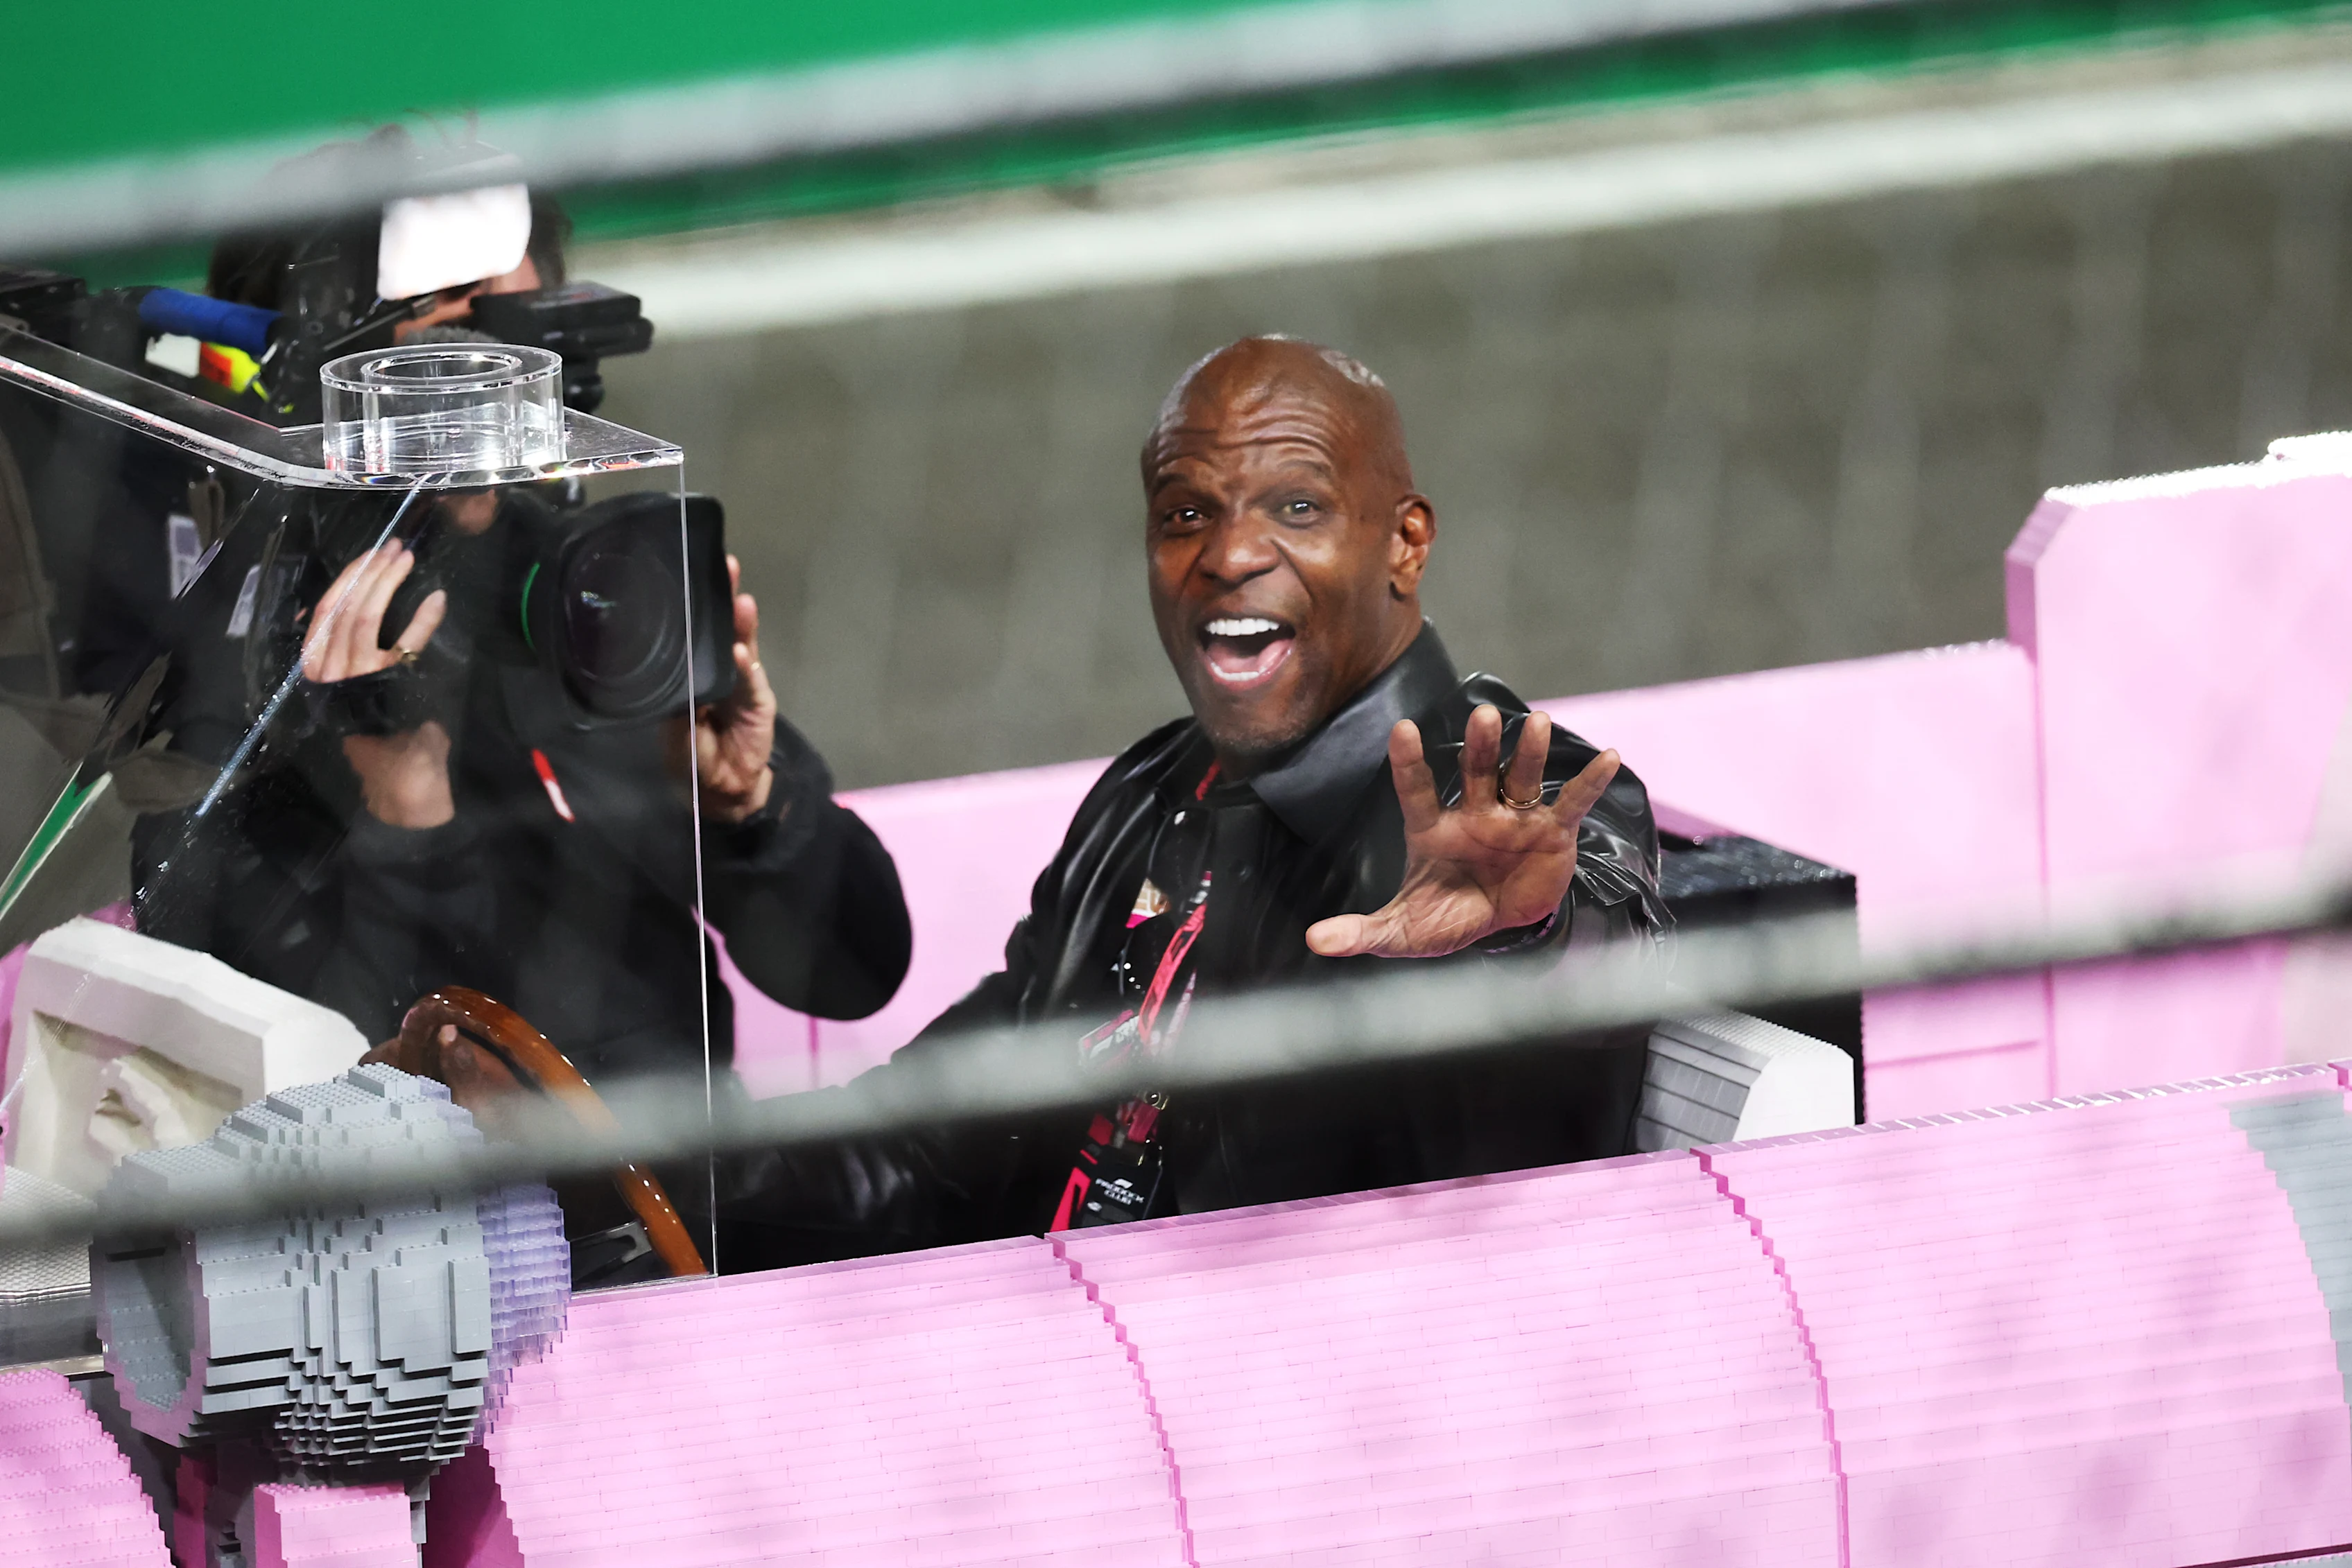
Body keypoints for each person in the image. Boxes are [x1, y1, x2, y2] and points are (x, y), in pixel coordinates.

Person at [720, 335, 1667, 1269]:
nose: (1228, 554)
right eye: (1184, 515)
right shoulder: (1144, 795)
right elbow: (935, 1138)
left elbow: (1592, 949)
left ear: (1405, 542)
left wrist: (1515, 939)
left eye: (1297, 507)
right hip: (1038, 1359)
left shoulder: (1514, 797)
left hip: (1311, 1390)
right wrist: (653, 1166)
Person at [118, 152, 911, 1097]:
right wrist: (408, 815)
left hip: (684, 1190)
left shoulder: (598, 593)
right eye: (446, 323)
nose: (492, 381)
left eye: (521, 329)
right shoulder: (245, 691)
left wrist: (752, 809)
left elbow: (854, 971)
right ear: (321, 378)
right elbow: (330, 1091)